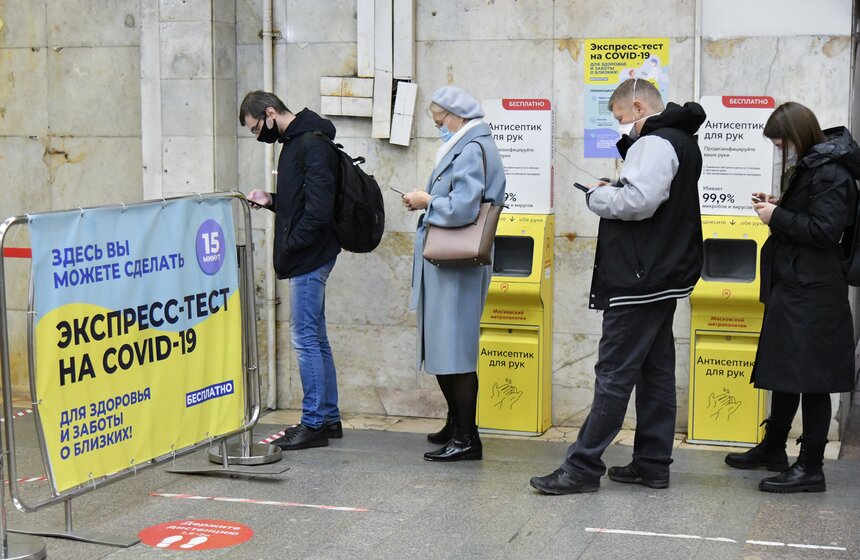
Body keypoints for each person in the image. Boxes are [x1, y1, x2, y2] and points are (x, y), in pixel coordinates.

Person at [530, 78, 705, 494]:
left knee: (613, 373)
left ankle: (582, 467)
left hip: (638, 278)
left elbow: (640, 202)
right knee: (656, 374)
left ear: (639, 106)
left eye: (621, 118)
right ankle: (651, 463)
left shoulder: (655, 142)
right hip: (663, 275)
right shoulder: (682, 141)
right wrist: (618, 188)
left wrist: (597, 196)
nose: (622, 127)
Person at [724, 103, 859, 493]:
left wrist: (775, 217)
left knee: (814, 379)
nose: (780, 147)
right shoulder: (816, 164)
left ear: (799, 133)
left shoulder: (831, 171)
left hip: (815, 289)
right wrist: (781, 205)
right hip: (796, 284)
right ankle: (773, 448)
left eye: (781, 140)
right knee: (785, 371)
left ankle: (811, 467)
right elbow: (813, 215)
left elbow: (825, 230)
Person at [401, 86, 506, 462]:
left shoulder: (471, 148)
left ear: (457, 116)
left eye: (439, 120)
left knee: (456, 350)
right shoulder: (465, 146)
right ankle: (455, 423)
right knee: (446, 346)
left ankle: (467, 437)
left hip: (457, 265)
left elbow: (463, 207)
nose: (437, 127)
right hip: (448, 264)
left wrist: (426, 202)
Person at [239, 91, 343, 450]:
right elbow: (302, 203)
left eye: (256, 128)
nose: (257, 135)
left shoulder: (310, 144)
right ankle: (328, 418)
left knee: (304, 339)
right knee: (316, 336)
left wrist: (293, 244)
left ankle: (313, 423)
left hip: (309, 257)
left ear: (270, 113)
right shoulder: (297, 142)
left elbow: (318, 209)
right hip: (310, 254)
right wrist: (272, 201)